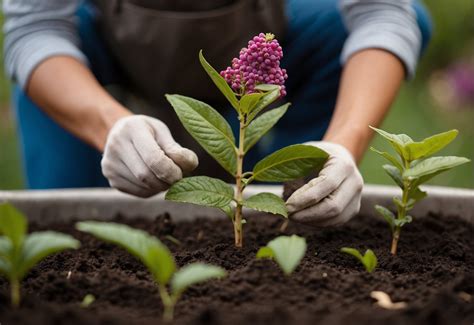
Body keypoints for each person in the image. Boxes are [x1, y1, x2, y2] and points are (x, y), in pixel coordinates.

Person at [2, 0, 431, 227]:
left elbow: (382, 13)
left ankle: (294, 202)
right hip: (102, 56)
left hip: (258, 47)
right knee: (68, 243)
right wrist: (108, 124)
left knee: (309, 218)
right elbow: (35, 29)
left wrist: (343, 144)